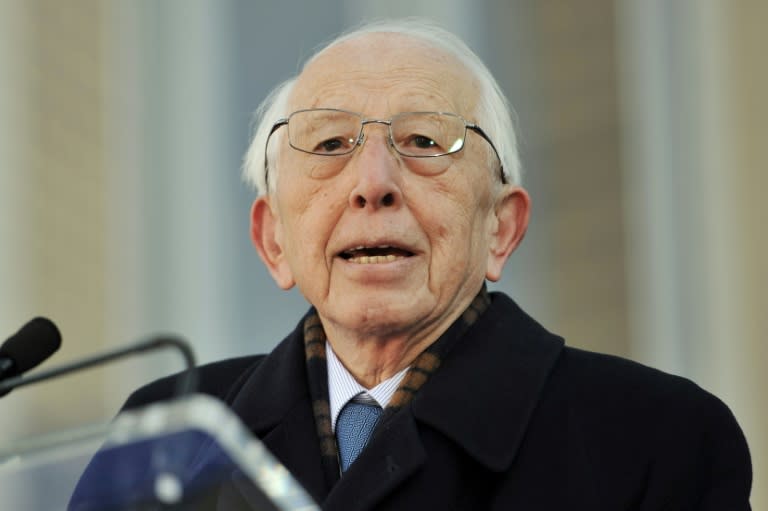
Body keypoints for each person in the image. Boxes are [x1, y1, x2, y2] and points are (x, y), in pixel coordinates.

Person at [120, 19, 752, 510]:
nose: (373, 183)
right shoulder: (170, 439)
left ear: (500, 228)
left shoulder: (654, 438)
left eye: (424, 141)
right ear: (274, 240)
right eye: (332, 143)